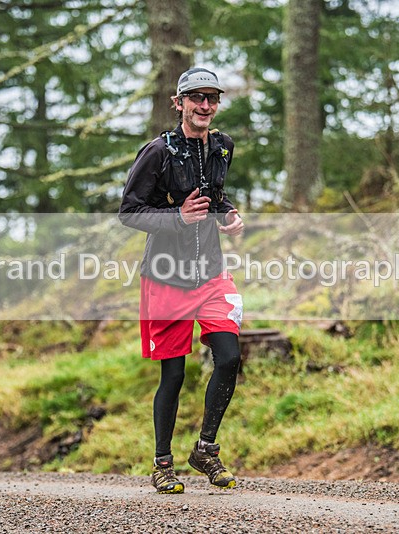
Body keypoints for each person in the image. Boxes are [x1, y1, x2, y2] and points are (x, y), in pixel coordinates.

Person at [118, 67, 244, 494]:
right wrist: (177, 217)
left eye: (212, 98)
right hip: (167, 277)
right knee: (173, 376)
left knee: (228, 357)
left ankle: (205, 449)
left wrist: (227, 214)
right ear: (179, 103)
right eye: (196, 97)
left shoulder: (223, 146)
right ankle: (162, 463)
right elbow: (129, 212)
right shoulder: (157, 152)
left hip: (210, 272)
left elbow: (216, 193)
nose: (205, 105)